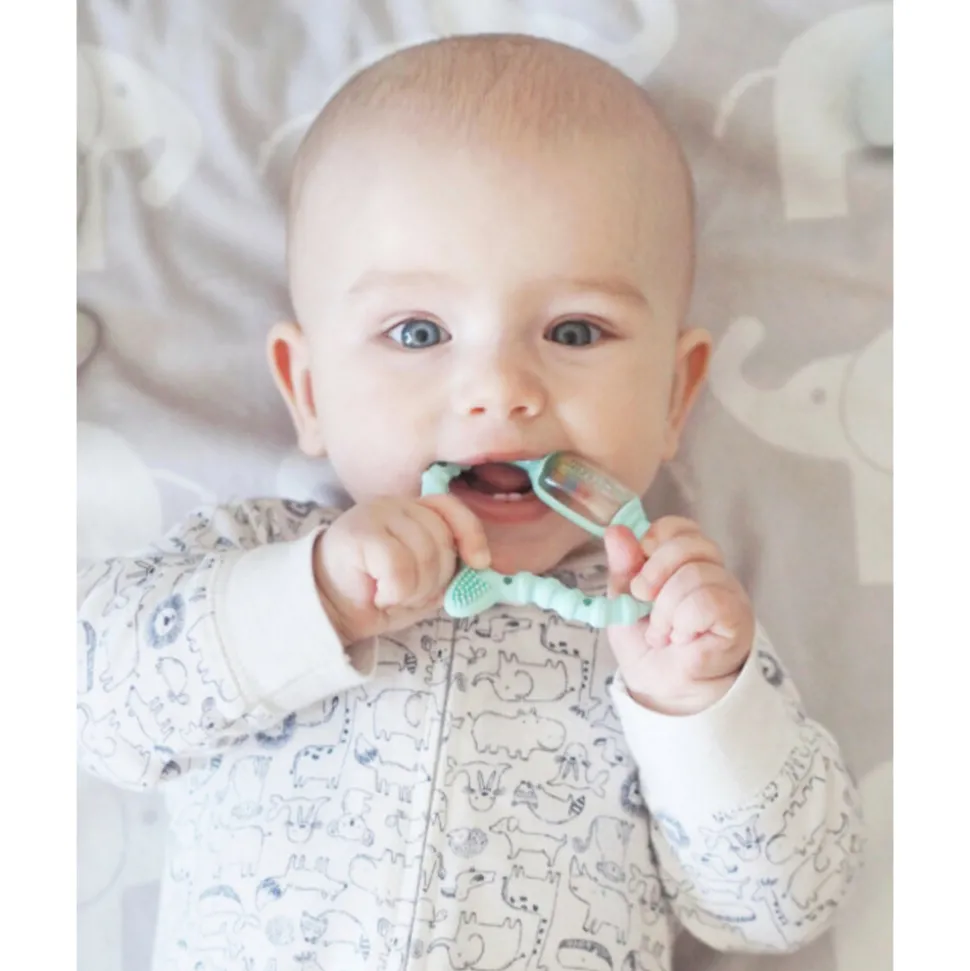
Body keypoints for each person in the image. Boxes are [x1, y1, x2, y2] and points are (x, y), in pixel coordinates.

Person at [78, 34, 864, 971]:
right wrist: (313, 598)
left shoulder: (668, 628)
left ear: (672, 396)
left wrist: (695, 707)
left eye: (575, 330)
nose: (499, 388)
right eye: (418, 332)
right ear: (310, 390)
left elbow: (781, 907)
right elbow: (88, 706)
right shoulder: (247, 555)